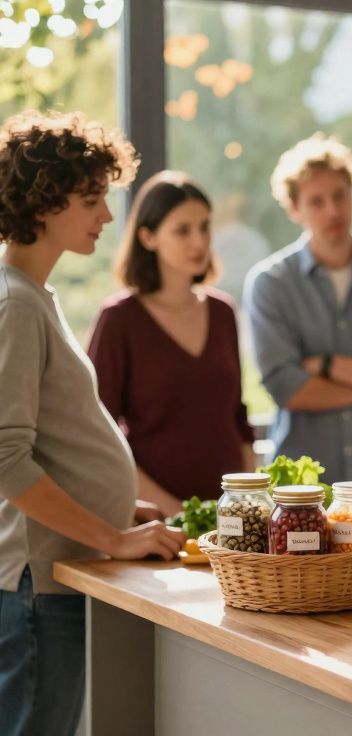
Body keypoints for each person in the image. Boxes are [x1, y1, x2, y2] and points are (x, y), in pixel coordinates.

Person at [0, 111, 186, 736]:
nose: (107, 216)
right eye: (90, 200)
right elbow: (6, 461)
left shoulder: (34, 297)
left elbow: (50, 444)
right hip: (37, 585)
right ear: (43, 203)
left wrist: (114, 507)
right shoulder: (16, 304)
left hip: (52, 578)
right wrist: (114, 539)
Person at [244, 133, 352, 512]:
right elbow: (289, 390)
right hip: (301, 489)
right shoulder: (270, 284)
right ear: (294, 209)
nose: (332, 210)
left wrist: (325, 366)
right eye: (316, 201)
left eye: (340, 196)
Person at [88, 172, 256, 514]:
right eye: (183, 230)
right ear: (148, 237)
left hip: (230, 518)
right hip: (154, 520)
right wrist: (174, 512)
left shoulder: (223, 311)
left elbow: (237, 418)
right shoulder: (119, 319)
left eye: (205, 227)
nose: (199, 241)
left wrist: (249, 501)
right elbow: (99, 435)